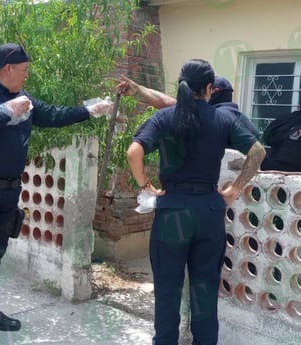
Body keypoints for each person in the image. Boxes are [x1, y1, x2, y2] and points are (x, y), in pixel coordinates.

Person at [0, 42, 113, 345]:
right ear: (7, 69)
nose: (26, 76)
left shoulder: (22, 97)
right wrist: (4, 113)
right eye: (23, 71)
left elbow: (51, 114)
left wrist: (90, 111)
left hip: (9, 189)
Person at [126, 59, 265, 345]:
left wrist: (145, 185)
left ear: (181, 86)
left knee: (167, 291)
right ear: (210, 89)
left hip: (172, 212)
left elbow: (133, 152)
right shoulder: (223, 119)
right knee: (204, 290)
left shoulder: (165, 118)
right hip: (209, 210)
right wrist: (235, 189)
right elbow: (258, 152)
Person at [118, 74, 260, 140]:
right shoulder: (246, 122)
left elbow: (169, 104)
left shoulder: (209, 117)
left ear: (213, 91)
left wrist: (138, 89)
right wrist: (139, 88)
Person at [260, 104, 301, 172]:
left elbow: (266, 139)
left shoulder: (284, 119)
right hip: (296, 173)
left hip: (272, 168)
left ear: (298, 107)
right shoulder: (286, 119)